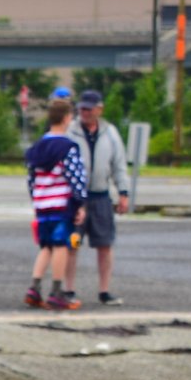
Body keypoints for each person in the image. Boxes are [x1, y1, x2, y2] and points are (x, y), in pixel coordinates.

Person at [63, 90, 133, 305]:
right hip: (76, 198)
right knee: (72, 243)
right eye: (81, 108)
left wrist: (123, 192)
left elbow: (119, 165)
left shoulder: (110, 133)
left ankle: (104, 291)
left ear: (99, 109)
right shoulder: (70, 132)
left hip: (101, 196)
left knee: (105, 244)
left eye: (89, 108)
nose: (84, 112)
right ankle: (68, 289)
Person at [22, 97, 88, 311]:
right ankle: (57, 292)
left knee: (46, 246)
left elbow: (31, 179)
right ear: (67, 118)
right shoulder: (68, 147)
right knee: (61, 246)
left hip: (42, 204)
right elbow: (76, 177)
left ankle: (34, 287)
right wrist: (81, 204)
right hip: (61, 203)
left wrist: (36, 199)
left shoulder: (37, 148)